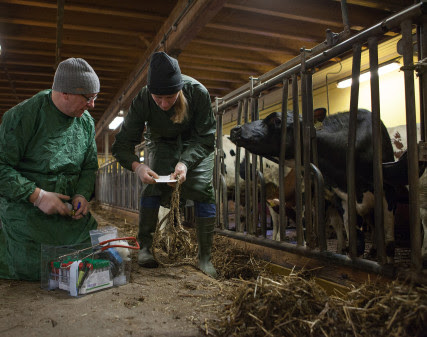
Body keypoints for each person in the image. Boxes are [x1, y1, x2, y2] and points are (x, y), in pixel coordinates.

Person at [112, 51, 217, 278]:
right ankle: (146, 248)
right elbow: (121, 145)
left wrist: (185, 163)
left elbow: (207, 138)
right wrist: (138, 167)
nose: (163, 104)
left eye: (169, 97)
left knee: (202, 188)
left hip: (195, 143)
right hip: (161, 142)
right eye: (157, 98)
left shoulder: (197, 92)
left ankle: (205, 258)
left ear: (179, 89)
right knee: (153, 185)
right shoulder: (142, 99)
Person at [0, 58, 100, 281]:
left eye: (95, 98)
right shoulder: (24, 115)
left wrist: (82, 193)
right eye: (88, 98)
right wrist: (37, 196)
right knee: (37, 266)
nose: (92, 105)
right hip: (27, 211)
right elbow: (1, 166)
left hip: (67, 213)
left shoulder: (85, 122)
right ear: (65, 93)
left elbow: (89, 165)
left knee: (91, 254)